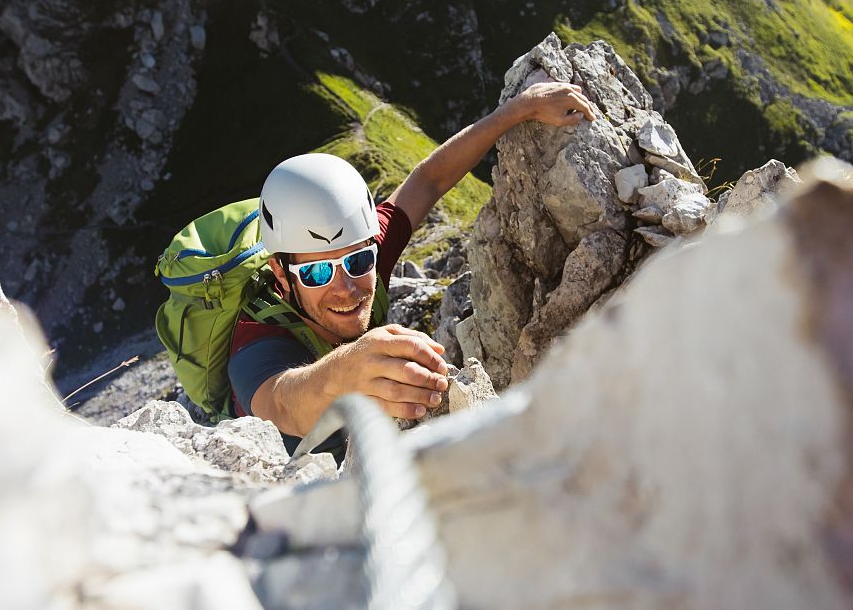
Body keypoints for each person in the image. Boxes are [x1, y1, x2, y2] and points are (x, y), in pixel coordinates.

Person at [231, 81, 597, 439]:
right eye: (316, 272)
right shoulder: (256, 343)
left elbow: (429, 181)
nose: (345, 287)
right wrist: (341, 372)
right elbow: (281, 405)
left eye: (357, 261)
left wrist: (519, 109)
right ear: (281, 274)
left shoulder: (369, 249)